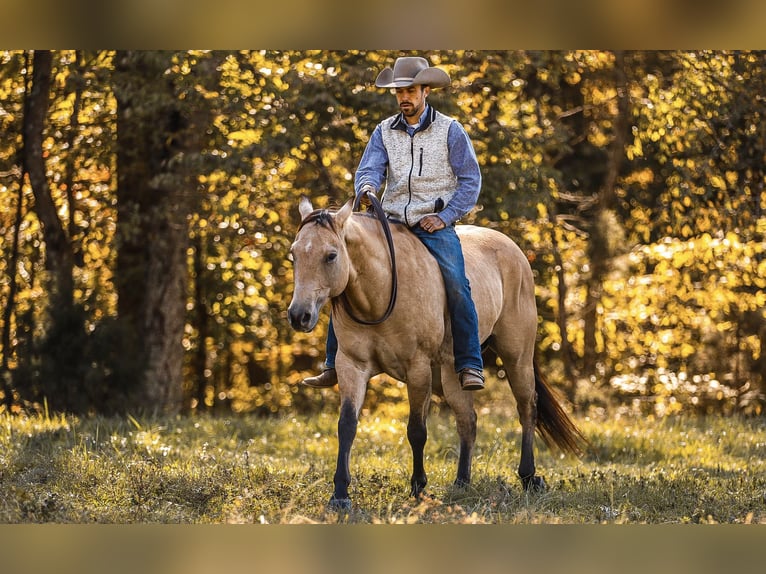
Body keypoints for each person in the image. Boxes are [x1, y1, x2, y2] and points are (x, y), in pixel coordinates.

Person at [302, 55, 485, 391]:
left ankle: (470, 362)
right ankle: (333, 364)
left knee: (458, 283)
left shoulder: (450, 130)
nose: (404, 97)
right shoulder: (384, 131)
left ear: (425, 90)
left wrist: (444, 217)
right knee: (344, 276)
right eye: (399, 92)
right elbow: (369, 169)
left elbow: (470, 181)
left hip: (434, 225)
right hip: (390, 222)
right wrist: (367, 187)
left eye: (411, 90)